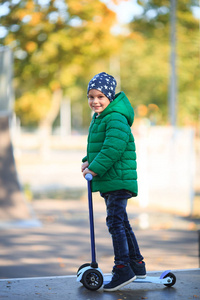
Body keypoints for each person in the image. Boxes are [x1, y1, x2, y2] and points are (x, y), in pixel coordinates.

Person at [81, 72, 146, 292]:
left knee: (115, 223)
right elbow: (99, 147)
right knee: (122, 222)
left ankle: (122, 268)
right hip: (112, 178)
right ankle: (136, 263)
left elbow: (112, 149)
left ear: (109, 97)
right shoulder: (102, 117)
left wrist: (94, 169)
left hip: (118, 179)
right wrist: (88, 161)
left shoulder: (116, 117)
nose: (95, 101)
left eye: (100, 96)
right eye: (91, 97)